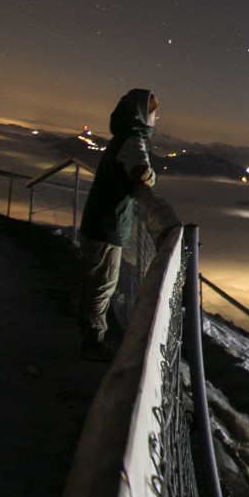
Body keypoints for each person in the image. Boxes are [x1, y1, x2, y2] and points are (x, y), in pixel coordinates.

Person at [77, 88, 158, 360]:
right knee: (102, 285)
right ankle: (93, 342)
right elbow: (142, 174)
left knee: (94, 283)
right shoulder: (132, 140)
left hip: (98, 222)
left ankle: (89, 333)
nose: (156, 118)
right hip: (106, 225)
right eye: (153, 112)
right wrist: (151, 179)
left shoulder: (122, 137)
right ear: (141, 114)